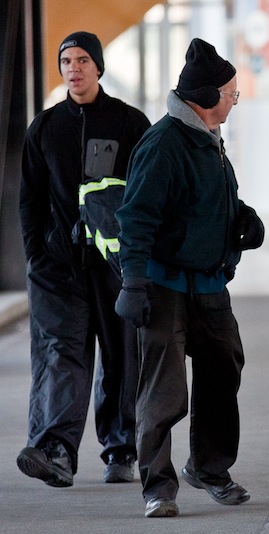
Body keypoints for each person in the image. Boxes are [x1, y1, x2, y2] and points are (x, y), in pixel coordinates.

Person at [114, 38, 264, 518]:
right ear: (208, 95)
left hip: (210, 286)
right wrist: (133, 283)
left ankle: (208, 468)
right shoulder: (164, 144)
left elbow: (203, 201)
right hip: (164, 288)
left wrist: (241, 218)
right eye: (231, 94)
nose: (234, 102)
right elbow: (135, 218)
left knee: (224, 371)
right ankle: (158, 486)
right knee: (163, 390)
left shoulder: (207, 137)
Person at [17, 31, 150, 488]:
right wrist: (38, 251)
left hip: (114, 265)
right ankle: (56, 450)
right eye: (65, 61)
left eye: (81, 60)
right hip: (58, 268)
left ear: (98, 67)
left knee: (120, 357)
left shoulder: (130, 123)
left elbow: (147, 194)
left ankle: (120, 448)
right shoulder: (45, 127)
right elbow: (29, 199)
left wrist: (138, 258)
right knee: (61, 354)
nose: (73, 68)